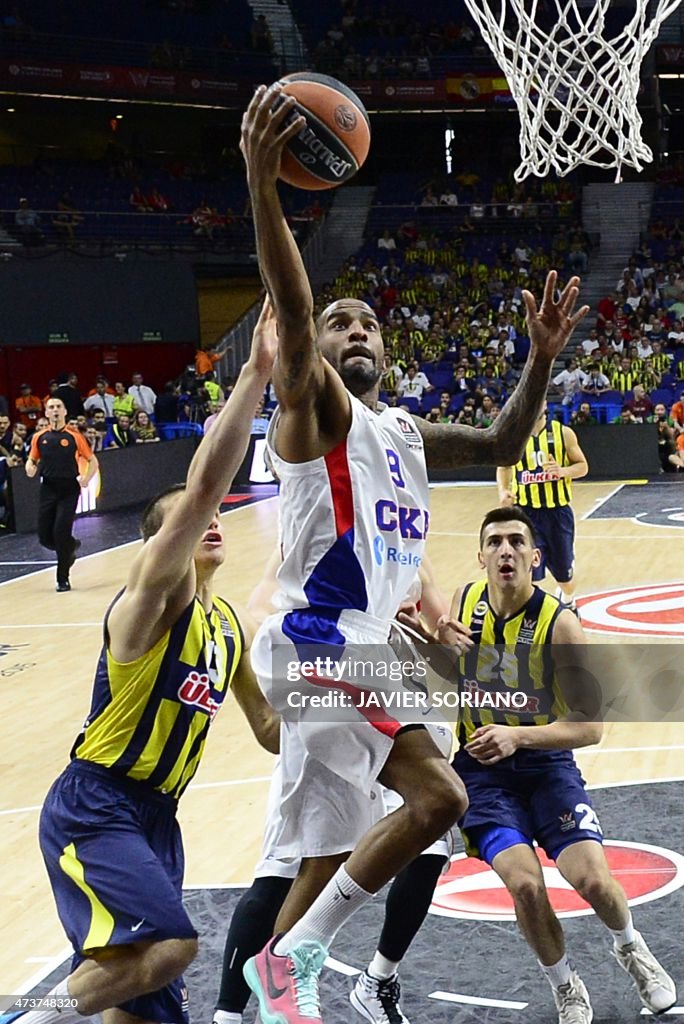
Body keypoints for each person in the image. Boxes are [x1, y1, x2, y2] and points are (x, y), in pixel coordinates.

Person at [239, 81, 589, 1024]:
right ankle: (281, 968)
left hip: (372, 647)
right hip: (318, 639)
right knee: (422, 797)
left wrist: (542, 357)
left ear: (389, 353)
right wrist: (264, 187)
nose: (356, 333)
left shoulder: (405, 431)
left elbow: (510, 443)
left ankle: (284, 967)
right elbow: (294, 311)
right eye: (343, 322)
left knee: (426, 813)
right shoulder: (314, 407)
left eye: (371, 325)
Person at [4, 301, 280, 1024]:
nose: (212, 520)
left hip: (159, 818)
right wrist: (254, 375)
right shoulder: (146, 606)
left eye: (219, 517)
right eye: (194, 520)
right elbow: (199, 494)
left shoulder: (226, 627)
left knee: (147, 1003)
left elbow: (270, 729)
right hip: (98, 804)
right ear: (160, 547)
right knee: (169, 946)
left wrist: (368, 713)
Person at [437, 506, 676, 1023]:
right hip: (482, 775)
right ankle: (565, 985)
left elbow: (589, 727)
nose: (506, 550)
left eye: (517, 542)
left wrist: (516, 736)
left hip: (546, 765)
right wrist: (438, 644)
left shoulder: (560, 624)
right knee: (524, 885)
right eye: (495, 542)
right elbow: (443, 676)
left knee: (593, 881)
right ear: (480, 557)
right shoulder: (463, 601)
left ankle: (631, 947)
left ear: (535, 556)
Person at [213, 556, 458, 1024]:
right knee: (292, 869)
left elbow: (445, 648)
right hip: (325, 675)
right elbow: (258, 616)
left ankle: (374, 980)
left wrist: (428, 645)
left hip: (385, 690)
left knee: (429, 835)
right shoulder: (315, 538)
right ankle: (231, 1013)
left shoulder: (406, 544)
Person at [496, 401, 588, 614]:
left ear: (544, 404)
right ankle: (529, 618)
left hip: (557, 513)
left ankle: (568, 598)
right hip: (525, 514)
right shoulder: (515, 437)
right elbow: (504, 467)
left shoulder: (563, 433)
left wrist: (562, 471)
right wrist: (503, 490)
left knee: (564, 576)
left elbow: (583, 466)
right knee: (527, 572)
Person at [25, 397, 99, 591]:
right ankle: (70, 547)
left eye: (58, 407)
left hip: (69, 490)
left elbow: (92, 461)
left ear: (65, 411)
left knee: (60, 532)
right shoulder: (39, 437)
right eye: (51, 407)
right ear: (46, 413)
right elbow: (32, 459)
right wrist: (30, 467)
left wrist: (86, 478)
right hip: (48, 489)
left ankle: (62, 578)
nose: (55, 410)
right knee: (44, 537)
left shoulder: (74, 436)